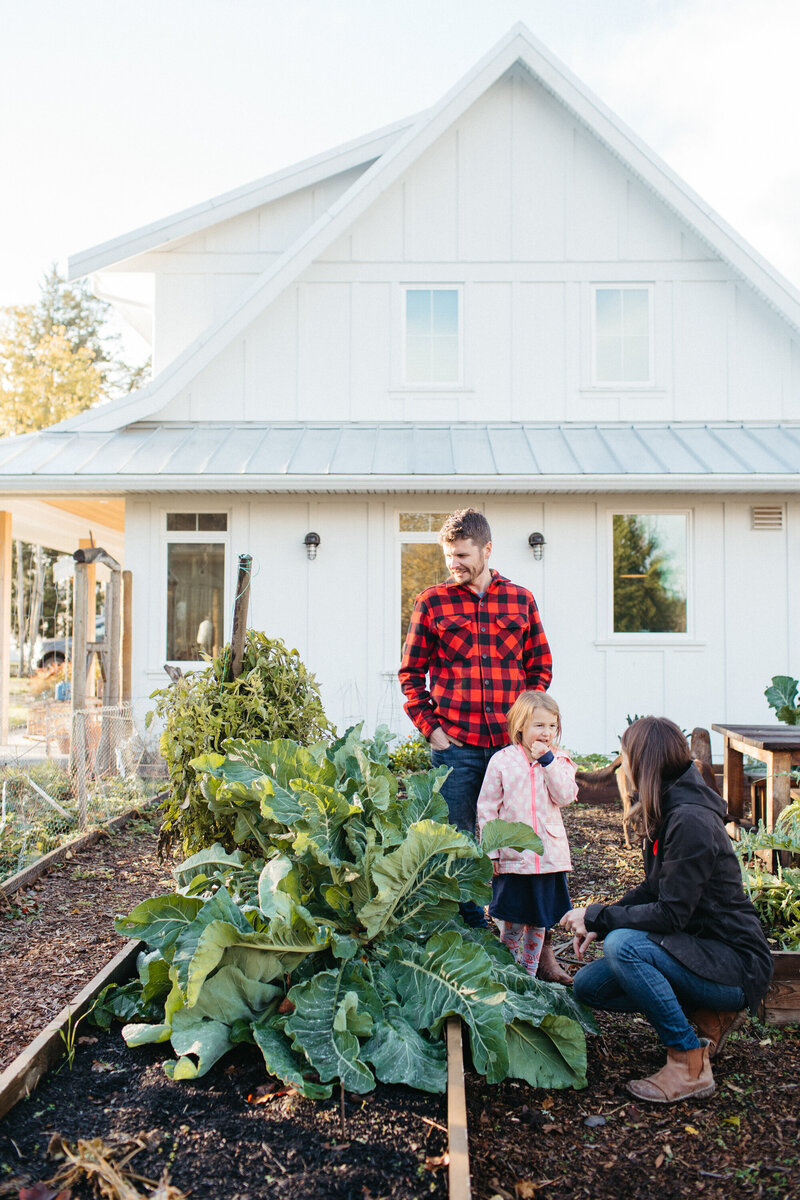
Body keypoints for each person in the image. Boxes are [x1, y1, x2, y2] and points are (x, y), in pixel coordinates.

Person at [560, 716, 774, 1104]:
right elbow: (653, 889)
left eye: (625, 758)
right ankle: (709, 1015)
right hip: (699, 952)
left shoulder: (690, 820)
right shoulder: (671, 805)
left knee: (625, 946)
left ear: (644, 763)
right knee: (591, 985)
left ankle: (688, 1061)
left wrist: (601, 918)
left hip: (735, 965)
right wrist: (600, 917)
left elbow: (670, 914)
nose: (622, 766)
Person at [399, 508, 552, 929]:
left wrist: (527, 728)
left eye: (463, 555)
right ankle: (470, 929)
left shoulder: (520, 600)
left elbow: (540, 668)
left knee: (516, 836)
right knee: (459, 840)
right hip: (457, 748)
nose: (455, 564)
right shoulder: (431, 603)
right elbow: (411, 674)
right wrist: (432, 731)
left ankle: (515, 926)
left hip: (510, 748)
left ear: (487, 549)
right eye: (449, 556)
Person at [476, 691, 577, 982]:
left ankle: (530, 976)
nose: (546, 732)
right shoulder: (502, 761)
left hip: (547, 859)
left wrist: (547, 762)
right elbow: (487, 808)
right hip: (514, 857)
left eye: (551, 726)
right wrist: (492, 850)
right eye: (538, 725)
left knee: (539, 922)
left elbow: (565, 795)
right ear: (520, 725)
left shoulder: (559, 760)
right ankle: (510, 973)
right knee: (511, 922)